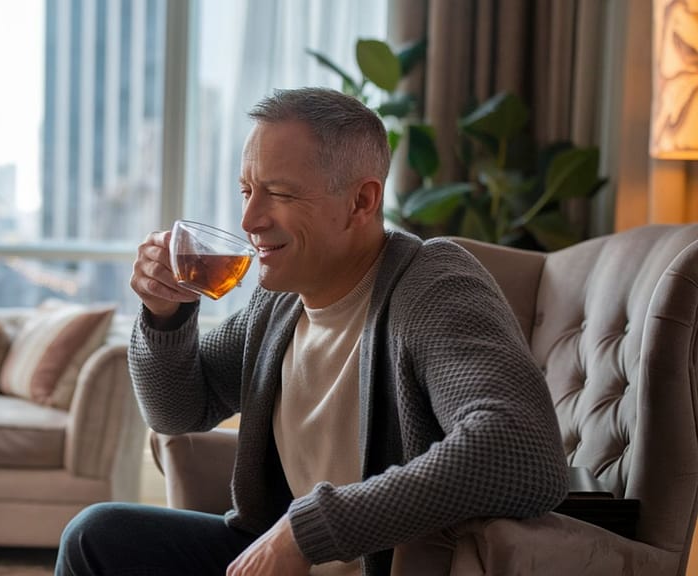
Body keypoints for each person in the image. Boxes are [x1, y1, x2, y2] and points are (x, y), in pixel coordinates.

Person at [56, 87, 568, 575]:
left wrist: (308, 531)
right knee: (96, 537)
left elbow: (519, 451)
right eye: (246, 190)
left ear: (362, 202)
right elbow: (177, 410)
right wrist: (165, 316)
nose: (250, 218)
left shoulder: (431, 285)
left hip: (375, 566)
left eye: (277, 193)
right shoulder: (279, 301)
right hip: (281, 560)